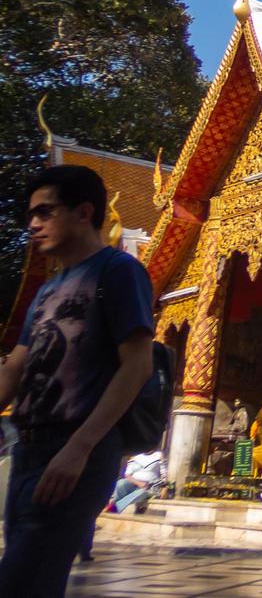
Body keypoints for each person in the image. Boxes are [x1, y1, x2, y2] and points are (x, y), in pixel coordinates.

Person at [0, 165, 155, 597]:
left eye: (45, 212)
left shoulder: (118, 271)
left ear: (84, 212)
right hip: (28, 448)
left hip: (75, 449)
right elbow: (15, 368)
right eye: (31, 214)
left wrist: (80, 448)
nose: (32, 224)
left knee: (20, 581)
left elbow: (137, 366)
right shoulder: (49, 290)